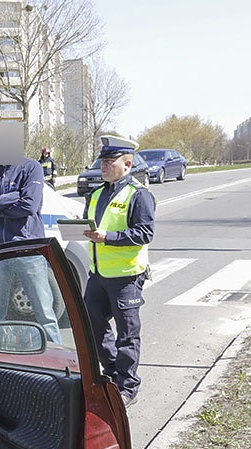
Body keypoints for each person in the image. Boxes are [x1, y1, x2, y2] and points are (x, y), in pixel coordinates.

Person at [81, 135, 155, 408]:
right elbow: (93, 225)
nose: (104, 165)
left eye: (109, 161)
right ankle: (112, 374)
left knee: (128, 333)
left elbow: (145, 232)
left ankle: (127, 386)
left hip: (126, 276)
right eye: (102, 160)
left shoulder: (138, 194)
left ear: (127, 164)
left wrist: (108, 236)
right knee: (94, 326)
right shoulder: (97, 193)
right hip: (98, 274)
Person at [0, 155, 62, 344]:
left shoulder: (32, 167)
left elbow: (29, 205)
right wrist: (15, 196)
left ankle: (58, 359)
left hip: (28, 248)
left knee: (45, 313)